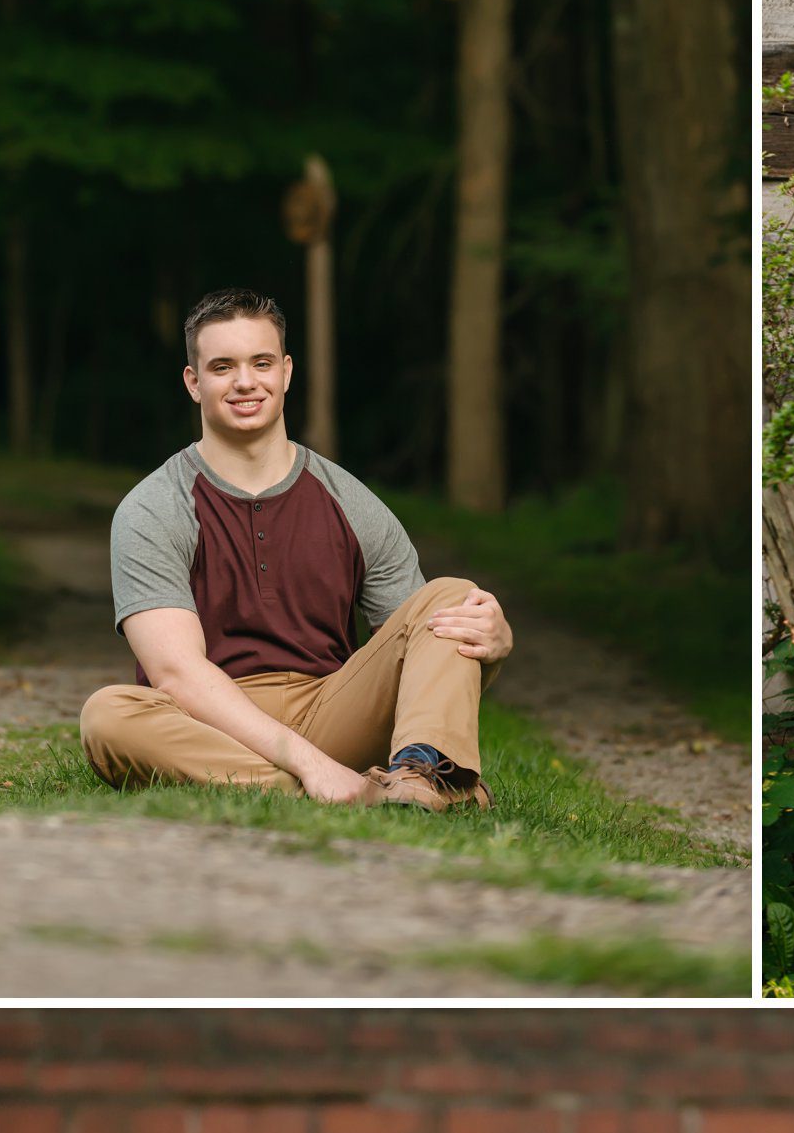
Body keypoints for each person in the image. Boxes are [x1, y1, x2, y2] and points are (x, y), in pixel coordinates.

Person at [78, 288, 509, 807]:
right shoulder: (153, 507)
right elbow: (177, 675)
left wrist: (495, 647)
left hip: (333, 708)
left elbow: (425, 653)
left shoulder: (350, 501)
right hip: (212, 724)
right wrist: (311, 764)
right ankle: (346, 791)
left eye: (261, 363)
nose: (244, 382)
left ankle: (427, 778)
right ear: (194, 383)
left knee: (451, 596)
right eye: (222, 366)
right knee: (108, 716)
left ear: (285, 372)